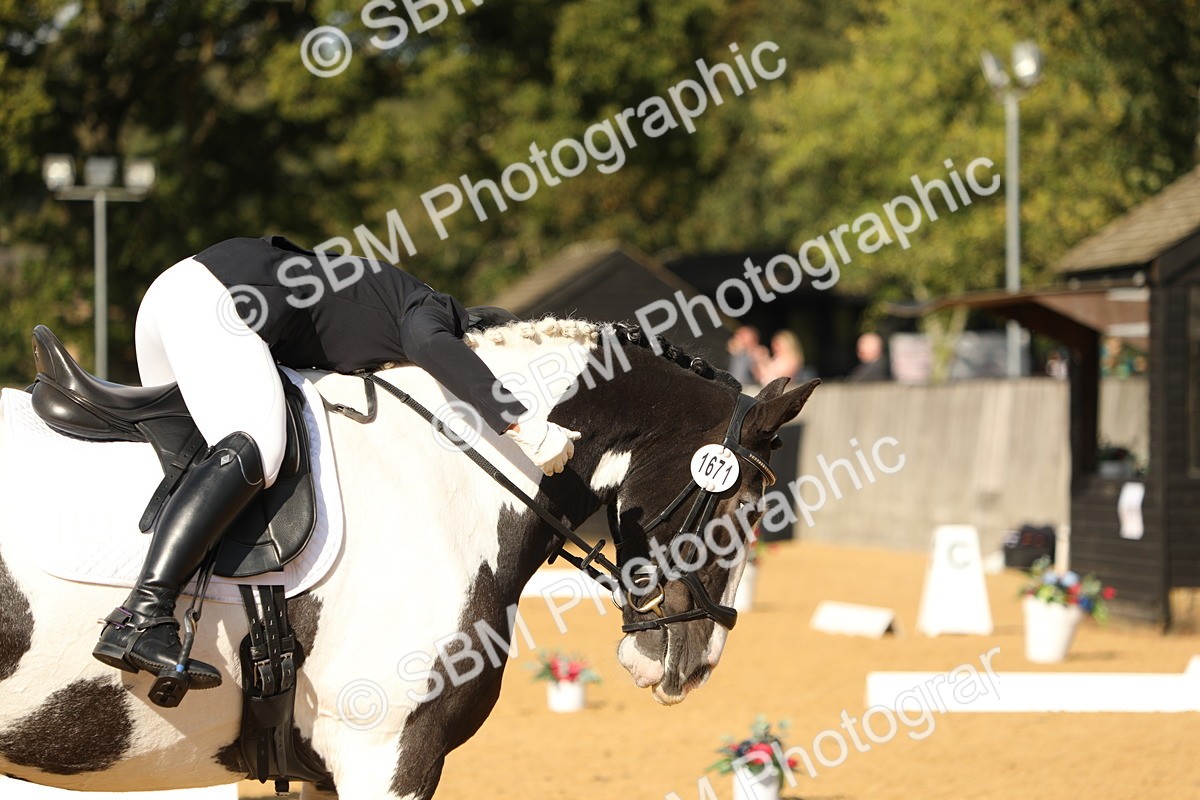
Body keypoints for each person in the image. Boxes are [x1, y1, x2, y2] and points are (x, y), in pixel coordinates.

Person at [91, 236, 581, 689]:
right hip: (217, 302)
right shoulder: (428, 308)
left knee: (201, 456)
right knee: (258, 446)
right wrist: (521, 424)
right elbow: (432, 345)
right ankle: (143, 615)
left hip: (174, 296)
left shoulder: (375, 296)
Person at [752, 330, 817, 385]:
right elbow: (760, 375)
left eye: (777, 345)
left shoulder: (793, 359)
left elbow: (784, 378)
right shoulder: (775, 359)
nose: (774, 347)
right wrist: (762, 360)